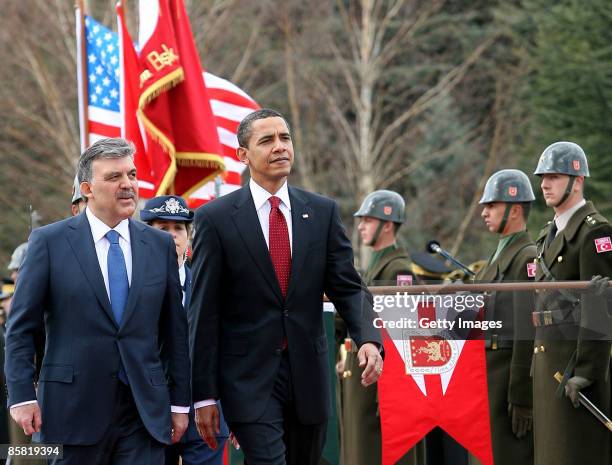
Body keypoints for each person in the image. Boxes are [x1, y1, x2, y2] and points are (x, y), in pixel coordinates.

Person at [189, 108, 383, 465]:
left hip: (309, 377)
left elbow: (348, 286)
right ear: (243, 156)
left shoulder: (322, 212)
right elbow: (202, 311)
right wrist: (203, 396)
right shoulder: (214, 220)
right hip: (247, 381)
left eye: (285, 138)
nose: (280, 147)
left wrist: (367, 337)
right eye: (267, 140)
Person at [4, 138, 191, 465]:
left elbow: (174, 333)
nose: (128, 184)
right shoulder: (49, 242)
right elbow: (21, 329)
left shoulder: (159, 245)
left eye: (131, 175)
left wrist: (178, 405)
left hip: (143, 413)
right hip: (72, 412)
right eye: (114, 177)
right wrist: (21, 396)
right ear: (88, 188)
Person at [531, 141, 611, 465]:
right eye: (542, 177)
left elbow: (600, 307)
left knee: (574, 453)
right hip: (547, 362)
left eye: (554, 176)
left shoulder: (595, 232)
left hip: (573, 368)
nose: (544, 184)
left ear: (577, 181)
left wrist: (588, 371)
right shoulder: (548, 233)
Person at [336, 189, 424, 465]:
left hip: (381, 385)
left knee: (375, 453)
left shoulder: (398, 271)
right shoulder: (375, 267)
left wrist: (389, 390)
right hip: (366, 380)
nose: (360, 226)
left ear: (387, 224)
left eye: (368, 221)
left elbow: (403, 336)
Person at [140, 195, 229, 465]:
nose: (171, 236)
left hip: (205, 414)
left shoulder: (210, 287)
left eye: (178, 229)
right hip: (149, 416)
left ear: (189, 237)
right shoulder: (130, 290)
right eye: (162, 229)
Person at [470, 169, 536, 465]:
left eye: (492, 205)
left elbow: (527, 330)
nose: (484, 212)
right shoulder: (495, 260)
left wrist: (521, 395)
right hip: (483, 379)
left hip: (505, 383)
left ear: (515, 208)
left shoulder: (527, 257)